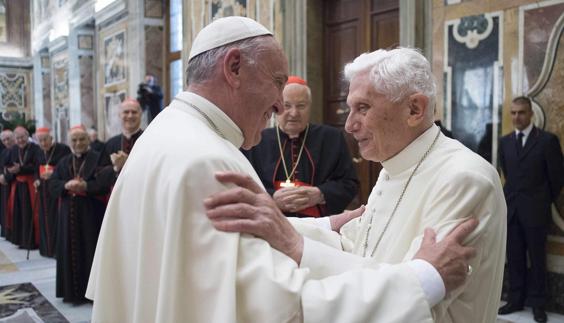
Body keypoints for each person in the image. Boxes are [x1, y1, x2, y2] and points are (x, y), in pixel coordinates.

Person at [87, 17, 477, 323]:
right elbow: (285, 308)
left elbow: (230, 246)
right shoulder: (208, 158)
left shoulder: (165, 132)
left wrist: (322, 225)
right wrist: (424, 279)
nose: (279, 105)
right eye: (276, 82)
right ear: (234, 67)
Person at [205, 47, 507, 323]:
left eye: (363, 108)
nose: (349, 125)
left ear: (414, 109)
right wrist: (287, 230)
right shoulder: (394, 164)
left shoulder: (463, 179)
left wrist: (293, 243)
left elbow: (420, 303)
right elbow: (359, 249)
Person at [243, 76, 359, 218]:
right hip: (270, 220)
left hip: (320, 223)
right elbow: (243, 185)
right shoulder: (256, 140)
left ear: (309, 106)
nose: (294, 113)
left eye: (301, 106)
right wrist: (271, 198)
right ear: (276, 107)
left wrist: (320, 194)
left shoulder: (331, 138)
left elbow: (350, 184)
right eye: (287, 106)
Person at [498, 96, 563, 323]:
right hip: (513, 211)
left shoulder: (547, 141)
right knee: (514, 258)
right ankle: (515, 300)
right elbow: (507, 173)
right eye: (513, 113)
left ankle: (538, 305)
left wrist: (541, 200)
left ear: (531, 114)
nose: (517, 117)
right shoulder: (505, 142)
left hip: (536, 212)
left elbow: (556, 179)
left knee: (537, 260)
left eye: (521, 113)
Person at [49, 125, 110, 304]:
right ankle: (72, 293)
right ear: (69, 143)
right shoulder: (63, 161)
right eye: (74, 140)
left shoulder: (98, 158)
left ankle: (91, 294)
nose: (78, 143)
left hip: (91, 215)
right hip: (68, 216)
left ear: (88, 140)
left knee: (90, 249)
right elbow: (53, 184)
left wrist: (86, 187)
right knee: (70, 251)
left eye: (82, 139)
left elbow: (105, 181)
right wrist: (65, 186)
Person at [33, 127, 71, 257]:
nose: (43, 143)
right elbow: (35, 169)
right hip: (43, 191)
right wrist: (37, 180)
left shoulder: (63, 149)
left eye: (45, 140)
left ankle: (56, 250)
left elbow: (67, 167)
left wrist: (53, 172)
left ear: (51, 138)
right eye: (40, 141)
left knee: (56, 219)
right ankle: (46, 249)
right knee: (45, 220)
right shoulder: (39, 152)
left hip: (57, 190)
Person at [5, 126, 41, 248]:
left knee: (29, 213)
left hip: (30, 184)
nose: (20, 140)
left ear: (27, 136)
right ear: (15, 139)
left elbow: (37, 166)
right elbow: (7, 163)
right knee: (18, 213)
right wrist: (10, 170)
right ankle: (20, 240)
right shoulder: (13, 149)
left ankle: (31, 242)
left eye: (22, 137)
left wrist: (21, 168)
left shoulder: (35, 148)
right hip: (17, 185)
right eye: (18, 138)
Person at [99, 98, 143, 185]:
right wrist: (116, 168)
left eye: (134, 112)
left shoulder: (148, 140)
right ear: (119, 115)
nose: (130, 116)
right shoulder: (111, 143)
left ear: (140, 115)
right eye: (126, 112)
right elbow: (100, 176)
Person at [0, 129, 15, 237]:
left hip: (13, 183)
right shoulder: (4, 151)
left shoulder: (17, 150)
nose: (6, 142)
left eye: (8, 139)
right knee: (4, 208)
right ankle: (5, 231)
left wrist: (6, 177)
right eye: (4, 140)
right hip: (4, 183)